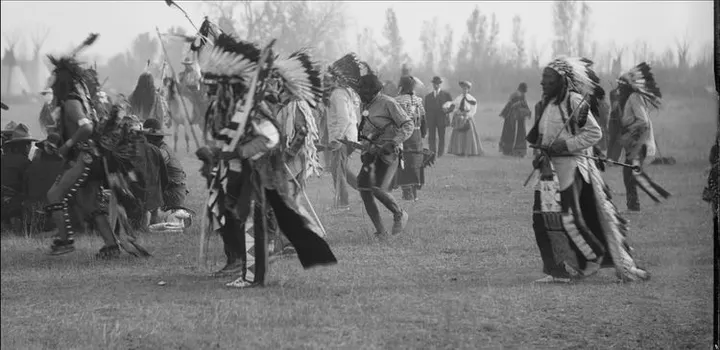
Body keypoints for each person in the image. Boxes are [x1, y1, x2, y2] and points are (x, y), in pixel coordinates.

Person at [195, 33, 337, 288]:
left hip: (258, 173)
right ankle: (250, 270)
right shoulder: (240, 106)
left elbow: (270, 137)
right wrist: (219, 153)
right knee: (243, 219)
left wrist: (239, 153)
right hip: (246, 172)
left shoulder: (254, 106)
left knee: (253, 222)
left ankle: (252, 276)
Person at [526, 56, 649, 283]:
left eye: (548, 79)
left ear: (561, 80)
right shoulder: (546, 104)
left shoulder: (575, 102)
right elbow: (542, 136)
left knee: (567, 219)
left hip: (570, 170)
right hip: (547, 171)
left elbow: (594, 133)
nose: (543, 83)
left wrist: (567, 145)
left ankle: (590, 260)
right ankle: (557, 270)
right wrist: (540, 153)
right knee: (541, 220)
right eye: (542, 79)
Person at [44, 35, 147, 258]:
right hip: (86, 156)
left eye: (54, 81)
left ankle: (64, 240)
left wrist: (67, 146)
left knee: (54, 195)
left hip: (84, 158)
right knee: (89, 203)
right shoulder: (73, 100)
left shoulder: (71, 102)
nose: (51, 85)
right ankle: (111, 245)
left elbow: (87, 127)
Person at [355, 73, 413, 236]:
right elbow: (366, 130)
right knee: (364, 189)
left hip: (389, 153)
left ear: (373, 91)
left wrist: (394, 142)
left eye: (364, 91)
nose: (361, 94)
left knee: (377, 188)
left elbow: (408, 124)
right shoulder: (364, 105)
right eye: (360, 91)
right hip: (370, 152)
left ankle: (399, 214)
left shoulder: (388, 103)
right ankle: (381, 231)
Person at [613, 62, 662, 211]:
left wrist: (629, 131)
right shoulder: (627, 99)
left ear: (627, 86)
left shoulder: (634, 97)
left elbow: (643, 121)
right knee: (629, 173)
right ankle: (633, 205)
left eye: (621, 85)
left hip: (639, 142)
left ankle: (635, 205)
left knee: (630, 173)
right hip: (634, 142)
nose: (618, 88)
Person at [323, 53, 362, 210]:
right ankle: (365, 189)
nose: (324, 83)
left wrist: (337, 139)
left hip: (343, 138)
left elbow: (344, 119)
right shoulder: (346, 92)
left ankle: (342, 203)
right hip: (349, 136)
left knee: (337, 169)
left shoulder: (338, 94)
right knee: (341, 168)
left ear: (335, 79)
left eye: (327, 80)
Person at [142, 118, 188, 221]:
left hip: (173, 194)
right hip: (173, 192)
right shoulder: (160, 149)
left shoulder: (161, 152)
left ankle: (166, 216)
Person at [393, 75, 427, 201]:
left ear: (401, 86)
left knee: (404, 162)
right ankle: (414, 192)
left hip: (404, 135)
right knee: (415, 162)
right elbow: (424, 118)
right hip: (417, 136)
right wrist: (423, 133)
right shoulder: (418, 100)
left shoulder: (397, 101)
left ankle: (407, 192)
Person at [1, 124, 36, 230]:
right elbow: (29, 187)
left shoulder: (2, 159)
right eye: (30, 144)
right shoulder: (25, 163)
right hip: (15, 206)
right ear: (26, 146)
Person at [448, 81, 484, 157]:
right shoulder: (458, 98)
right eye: (463, 89)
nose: (464, 90)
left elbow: (473, 110)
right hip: (459, 119)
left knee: (469, 135)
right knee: (459, 135)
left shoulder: (472, 99)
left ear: (468, 89)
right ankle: (459, 151)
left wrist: (467, 116)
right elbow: (454, 106)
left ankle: (470, 151)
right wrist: (456, 112)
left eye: (466, 89)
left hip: (468, 118)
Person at [498, 83, 531, 157]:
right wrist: (527, 112)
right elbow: (518, 105)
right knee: (516, 133)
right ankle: (515, 151)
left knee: (511, 133)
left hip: (514, 118)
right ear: (523, 89)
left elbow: (509, 106)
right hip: (515, 118)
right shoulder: (518, 95)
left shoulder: (516, 94)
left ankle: (510, 151)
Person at [423, 76, 453, 158]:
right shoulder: (428, 97)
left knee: (441, 137)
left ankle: (440, 153)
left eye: (437, 84)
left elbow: (452, 106)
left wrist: (447, 111)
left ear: (440, 84)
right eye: (434, 84)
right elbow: (425, 109)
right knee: (431, 137)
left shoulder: (446, 95)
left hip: (442, 119)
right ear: (432, 84)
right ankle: (432, 153)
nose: (436, 85)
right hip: (431, 120)